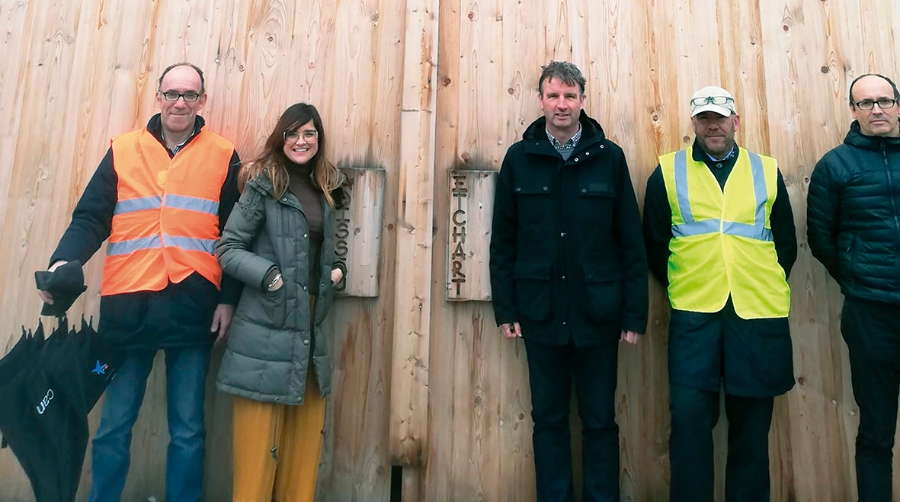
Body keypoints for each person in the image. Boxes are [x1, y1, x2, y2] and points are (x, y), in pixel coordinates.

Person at [36, 62, 242, 502]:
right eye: (172, 93)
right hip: (129, 310)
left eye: (189, 94)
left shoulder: (223, 154)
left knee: (188, 430)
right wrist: (62, 263)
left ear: (202, 100)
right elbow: (91, 217)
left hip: (194, 309)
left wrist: (228, 299)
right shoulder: (124, 149)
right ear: (159, 98)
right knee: (113, 426)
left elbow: (235, 235)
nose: (179, 102)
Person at [489, 61, 648, 502]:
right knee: (549, 421)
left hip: (599, 314)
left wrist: (634, 313)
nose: (562, 104)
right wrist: (507, 308)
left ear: (582, 100)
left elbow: (630, 243)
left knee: (600, 421)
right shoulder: (520, 160)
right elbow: (503, 241)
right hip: (539, 313)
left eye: (570, 96)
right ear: (541, 99)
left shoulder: (609, 157)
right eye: (553, 95)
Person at [642, 85, 797, 502]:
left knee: (751, 431)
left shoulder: (765, 169)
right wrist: (685, 282)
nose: (713, 125)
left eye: (721, 117)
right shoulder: (668, 172)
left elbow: (785, 243)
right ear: (693, 123)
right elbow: (654, 243)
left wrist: (755, 280)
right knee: (690, 425)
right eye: (704, 118)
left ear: (736, 122)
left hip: (757, 316)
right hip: (696, 318)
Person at [215, 102, 346, 502]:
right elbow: (228, 248)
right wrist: (268, 275)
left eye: (309, 133)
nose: (301, 141)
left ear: (319, 139)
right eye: (293, 133)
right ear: (281, 138)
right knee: (258, 454)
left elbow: (330, 250)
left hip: (310, 327)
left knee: (303, 450)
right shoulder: (263, 184)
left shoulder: (329, 187)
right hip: (265, 330)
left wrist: (337, 272)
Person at [807, 73, 900, 502]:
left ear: (898, 105)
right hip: (871, 313)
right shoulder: (835, 166)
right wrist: (857, 275)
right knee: (877, 429)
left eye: (884, 100)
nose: (876, 109)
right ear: (853, 111)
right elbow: (821, 238)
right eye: (866, 103)